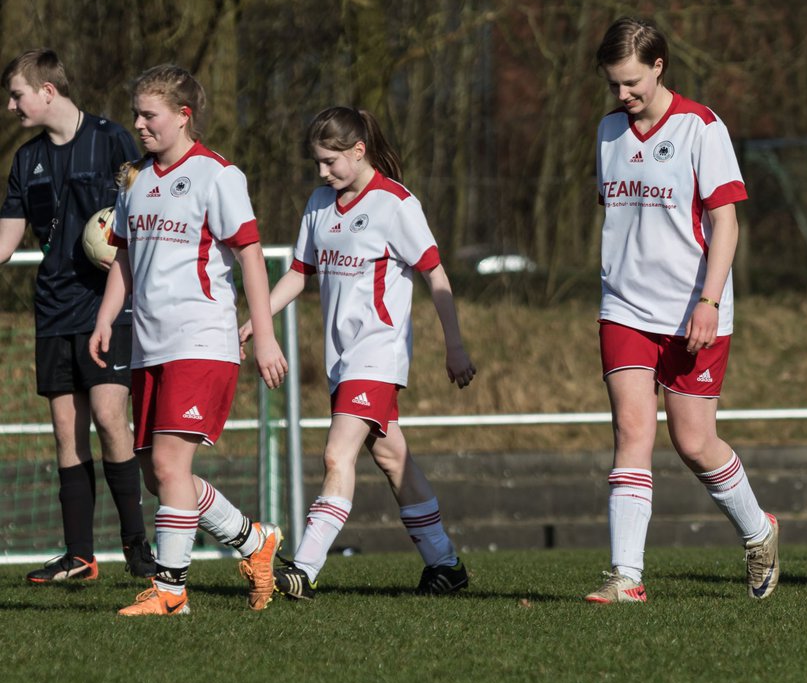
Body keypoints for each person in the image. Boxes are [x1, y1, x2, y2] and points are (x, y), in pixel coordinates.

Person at [240, 106, 476, 600]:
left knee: (336, 453)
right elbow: (299, 274)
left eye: (330, 161)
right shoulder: (319, 204)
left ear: (359, 151)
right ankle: (444, 564)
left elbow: (435, 274)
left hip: (378, 353)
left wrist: (453, 345)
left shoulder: (396, 204)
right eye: (317, 164)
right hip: (342, 359)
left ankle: (302, 568)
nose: (322, 172)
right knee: (393, 459)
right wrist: (257, 320)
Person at [586, 16, 778, 604]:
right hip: (624, 307)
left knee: (693, 442)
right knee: (632, 432)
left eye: (632, 83)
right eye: (614, 84)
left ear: (659, 66)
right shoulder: (607, 132)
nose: (622, 95)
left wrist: (709, 301)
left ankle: (759, 532)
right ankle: (626, 577)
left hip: (693, 309)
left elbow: (726, 222)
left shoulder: (702, 127)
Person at [89, 64, 287, 616]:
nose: (139, 124)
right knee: (159, 477)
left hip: (201, 340)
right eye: (136, 113)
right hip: (149, 344)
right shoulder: (136, 180)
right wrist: (107, 317)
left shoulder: (218, 175)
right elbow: (124, 257)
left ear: (184, 115)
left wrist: (265, 336)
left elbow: (250, 256)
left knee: (172, 467)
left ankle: (171, 591)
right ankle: (254, 541)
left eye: (149, 114)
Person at [1, 49, 156, 584]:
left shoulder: (113, 140)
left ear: (47, 91)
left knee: (113, 420)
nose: (11, 105)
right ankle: (80, 556)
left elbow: (143, 211)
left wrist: (127, 253)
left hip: (108, 308)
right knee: (67, 431)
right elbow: (8, 235)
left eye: (17, 94)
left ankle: (137, 545)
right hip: (53, 311)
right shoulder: (26, 160)